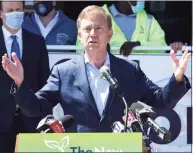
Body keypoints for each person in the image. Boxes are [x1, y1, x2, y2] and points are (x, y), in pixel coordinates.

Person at [2, 3, 191, 144]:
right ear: (79, 35)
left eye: (98, 28)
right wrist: (19, 82)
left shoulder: (129, 70)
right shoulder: (63, 72)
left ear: (109, 35)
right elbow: (35, 108)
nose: (93, 34)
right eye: (87, 29)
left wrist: (177, 78)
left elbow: (161, 101)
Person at [0, 1, 50, 152]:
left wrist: (46, 120)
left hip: (31, 122)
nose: (15, 13)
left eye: (18, 10)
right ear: (1, 14)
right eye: (10, 10)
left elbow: (45, 84)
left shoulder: (37, 41)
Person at [99, 1, 167, 55]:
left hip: (141, 70)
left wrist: (139, 44)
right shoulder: (98, 16)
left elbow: (162, 47)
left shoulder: (149, 19)